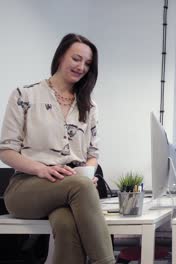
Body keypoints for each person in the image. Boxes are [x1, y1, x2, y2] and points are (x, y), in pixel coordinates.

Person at [0, 33, 115, 264]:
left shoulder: (89, 106)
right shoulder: (25, 95)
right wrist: (41, 169)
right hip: (26, 188)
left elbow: (92, 154)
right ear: (61, 56)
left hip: (70, 187)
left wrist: (87, 174)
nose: (81, 67)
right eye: (76, 58)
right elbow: (5, 150)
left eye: (88, 63)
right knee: (80, 186)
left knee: (65, 224)